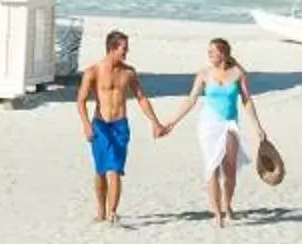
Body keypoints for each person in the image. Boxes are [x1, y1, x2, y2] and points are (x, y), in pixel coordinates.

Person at [161, 36, 267, 227]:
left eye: (213, 52)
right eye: (208, 51)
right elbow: (191, 99)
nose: (209, 55)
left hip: (229, 124)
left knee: (230, 168)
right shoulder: (204, 74)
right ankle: (217, 213)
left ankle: (228, 205)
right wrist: (173, 121)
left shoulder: (238, 73)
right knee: (212, 167)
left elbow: (247, 101)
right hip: (208, 124)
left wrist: (258, 127)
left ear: (224, 53)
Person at [74, 30, 163, 226]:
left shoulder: (128, 72)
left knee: (114, 169)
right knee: (100, 171)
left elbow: (141, 97)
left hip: (120, 126)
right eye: (124, 48)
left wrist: (155, 122)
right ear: (112, 48)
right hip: (100, 125)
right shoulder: (93, 71)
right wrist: (86, 125)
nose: (126, 52)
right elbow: (80, 101)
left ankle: (112, 213)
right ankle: (101, 210)